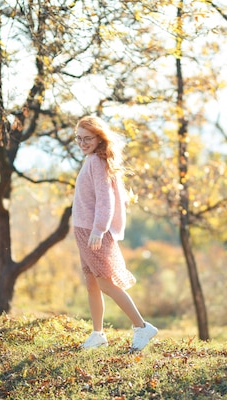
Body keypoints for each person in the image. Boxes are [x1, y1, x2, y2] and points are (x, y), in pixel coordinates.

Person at [72, 115, 158, 352]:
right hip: (83, 230)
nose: (82, 143)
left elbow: (105, 201)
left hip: (93, 232)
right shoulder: (92, 159)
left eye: (87, 138)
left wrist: (99, 230)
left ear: (100, 138)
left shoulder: (97, 163)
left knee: (106, 284)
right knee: (92, 284)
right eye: (78, 138)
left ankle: (142, 327)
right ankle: (98, 334)